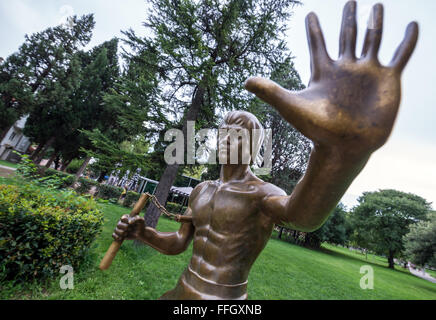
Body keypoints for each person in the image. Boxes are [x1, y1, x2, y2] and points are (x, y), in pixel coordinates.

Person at [112, 1, 418, 299]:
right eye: (223, 132)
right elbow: (179, 243)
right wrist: (143, 233)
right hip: (180, 293)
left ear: (255, 147)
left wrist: (340, 154)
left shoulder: (262, 195)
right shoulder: (201, 190)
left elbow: (303, 216)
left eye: (238, 134)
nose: (227, 139)